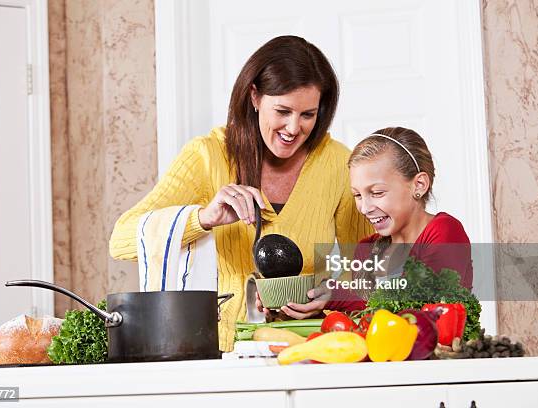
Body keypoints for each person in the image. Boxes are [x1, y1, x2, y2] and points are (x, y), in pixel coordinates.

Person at [109, 35, 373, 351]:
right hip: (219, 350)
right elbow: (122, 240)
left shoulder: (337, 163)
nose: (293, 128)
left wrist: (333, 297)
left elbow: (368, 269)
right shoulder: (207, 156)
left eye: (307, 115)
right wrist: (203, 218)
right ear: (255, 96)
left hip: (309, 347)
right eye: (283, 111)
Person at [282, 126, 473, 316]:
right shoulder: (367, 249)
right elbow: (365, 319)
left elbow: (419, 314)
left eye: (377, 193)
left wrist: (337, 297)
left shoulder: (445, 231)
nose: (364, 208)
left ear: (419, 185)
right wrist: (314, 303)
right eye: (357, 195)